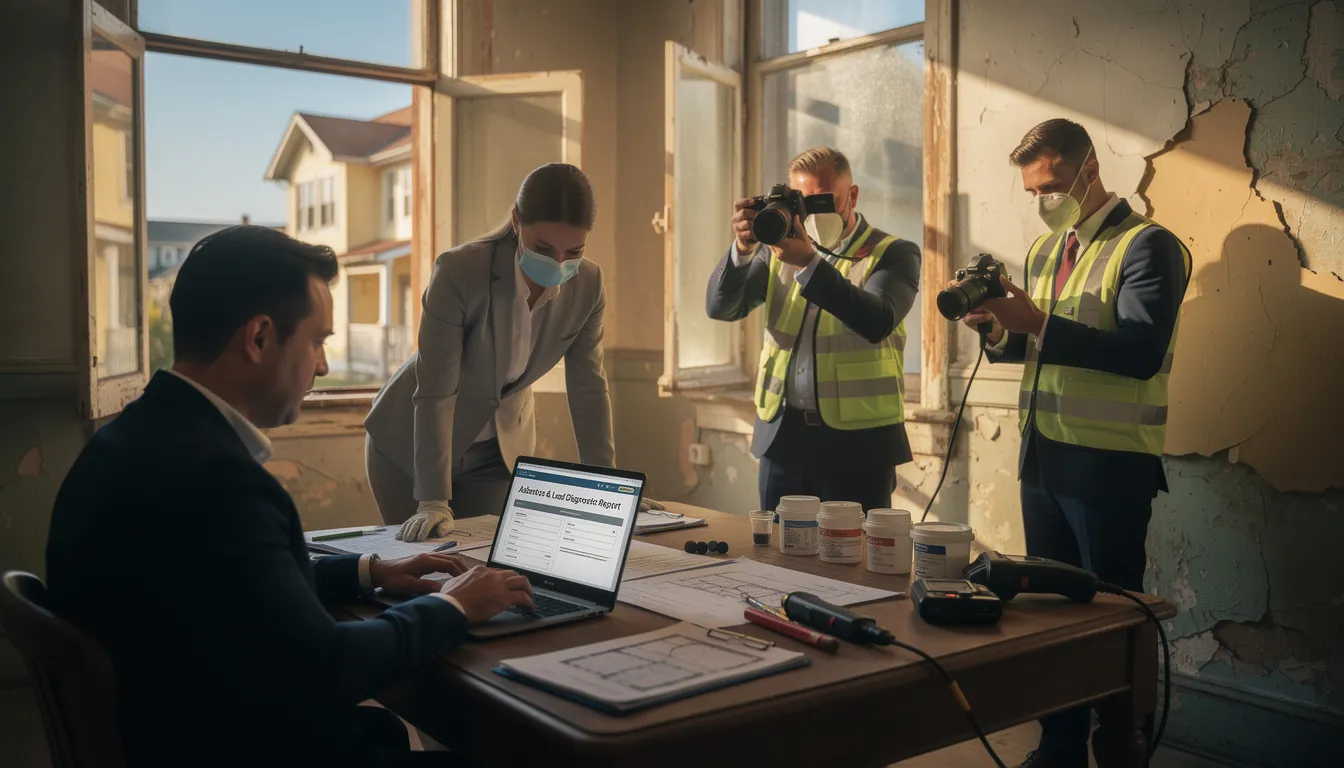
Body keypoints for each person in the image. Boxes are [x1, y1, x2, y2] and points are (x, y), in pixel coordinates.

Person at [45, 226, 535, 767]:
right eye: (317, 341)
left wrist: (367, 573)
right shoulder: (218, 483)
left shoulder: (134, 441)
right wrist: (455, 605)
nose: (322, 366)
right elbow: (326, 667)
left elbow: (232, 583)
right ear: (258, 338)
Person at [961, 119, 1191, 768]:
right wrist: (995, 329)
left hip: (1110, 466)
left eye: (1054, 186)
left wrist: (1035, 321)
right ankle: (1056, 748)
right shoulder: (1044, 252)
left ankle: (1119, 748)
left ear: (1089, 172)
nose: (1045, 200)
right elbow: (1034, 351)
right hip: (1044, 459)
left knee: (1115, 626)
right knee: (1048, 622)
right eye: (1034, 191)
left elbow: (1140, 354)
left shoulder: (1148, 247)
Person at [365, 163, 660, 542]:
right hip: (408, 446)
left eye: (574, 251)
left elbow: (588, 388)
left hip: (497, 454)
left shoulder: (589, 283)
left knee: (491, 568)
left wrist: (609, 487)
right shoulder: (459, 270)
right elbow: (436, 390)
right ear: (517, 222)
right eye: (543, 249)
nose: (557, 264)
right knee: (420, 567)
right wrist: (433, 499)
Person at [706, 147, 921, 513]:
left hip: (859, 447)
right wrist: (743, 248)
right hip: (782, 440)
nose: (812, 213)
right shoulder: (775, 251)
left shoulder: (891, 253)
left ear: (852, 195)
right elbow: (722, 308)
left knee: (854, 564)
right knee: (777, 559)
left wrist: (808, 262)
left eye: (824, 200)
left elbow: (877, 320)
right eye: (802, 203)